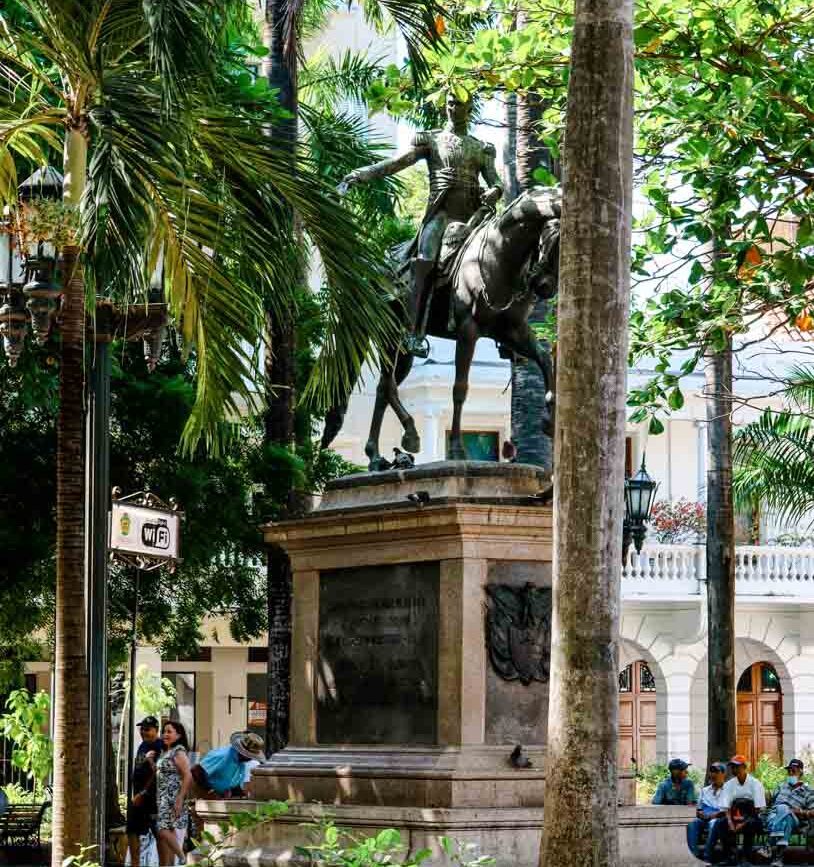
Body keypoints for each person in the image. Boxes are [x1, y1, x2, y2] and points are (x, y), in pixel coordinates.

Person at [339, 92, 504, 358]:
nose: (452, 108)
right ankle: (413, 331)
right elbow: (397, 162)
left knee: (502, 254)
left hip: (472, 217)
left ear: (469, 107)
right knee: (425, 260)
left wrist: (495, 191)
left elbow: (495, 180)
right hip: (440, 214)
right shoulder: (431, 139)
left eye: (458, 104)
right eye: (449, 103)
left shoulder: (481, 147)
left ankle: (505, 326)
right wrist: (361, 174)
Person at [152, 720, 192, 866]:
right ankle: (173, 862)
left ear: (178, 735)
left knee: (162, 830)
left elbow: (188, 775)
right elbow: (161, 773)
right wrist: (151, 761)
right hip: (163, 798)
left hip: (172, 798)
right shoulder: (166, 752)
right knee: (165, 835)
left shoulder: (178, 751)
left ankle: (182, 856)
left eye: (169, 732)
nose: (165, 734)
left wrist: (180, 799)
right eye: (164, 731)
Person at [127, 715, 164, 867]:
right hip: (137, 797)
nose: (143, 732)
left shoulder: (159, 746)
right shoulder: (143, 745)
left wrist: (143, 793)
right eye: (142, 729)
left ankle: (164, 864)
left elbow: (157, 773)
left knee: (159, 833)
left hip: (151, 799)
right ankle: (135, 863)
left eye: (147, 729)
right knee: (132, 830)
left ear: (156, 730)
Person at [764, 758, 814, 866]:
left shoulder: (808, 791)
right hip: (774, 815)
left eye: (793, 770)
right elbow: (769, 801)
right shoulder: (781, 786)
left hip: (795, 818)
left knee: (786, 813)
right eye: (789, 771)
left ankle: (768, 845)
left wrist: (799, 811)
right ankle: (778, 858)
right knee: (784, 812)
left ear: (800, 771)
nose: (790, 773)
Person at [721, 755, 766, 865]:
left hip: (751, 816)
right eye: (732, 767)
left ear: (744, 767)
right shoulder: (728, 785)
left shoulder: (755, 784)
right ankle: (731, 856)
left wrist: (743, 823)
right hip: (734, 815)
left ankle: (747, 857)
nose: (734, 769)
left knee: (751, 825)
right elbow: (725, 806)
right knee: (722, 823)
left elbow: (758, 809)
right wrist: (730, 822)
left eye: (736, 767)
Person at [191, 732, 265, 798]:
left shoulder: (241, 763)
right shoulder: (223, 755)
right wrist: (210, 791)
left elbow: (232, 783)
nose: (251, 759)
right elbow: (196, 770)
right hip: (201, 793)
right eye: (249, 756)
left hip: (218, 797)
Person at [687, 762, 728, 863]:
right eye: (711, 771)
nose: (713, 774)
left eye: (716, 772)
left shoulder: (728, 790)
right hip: (704, 817)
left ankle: (707, 857)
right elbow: (698, 808)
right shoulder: (705, 790)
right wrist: (700, 813)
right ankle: (694, 855)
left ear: (723, 774)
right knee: (692, 823)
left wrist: (714, 815)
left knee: (714, 823)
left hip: (719, 818)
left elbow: (727, 810)